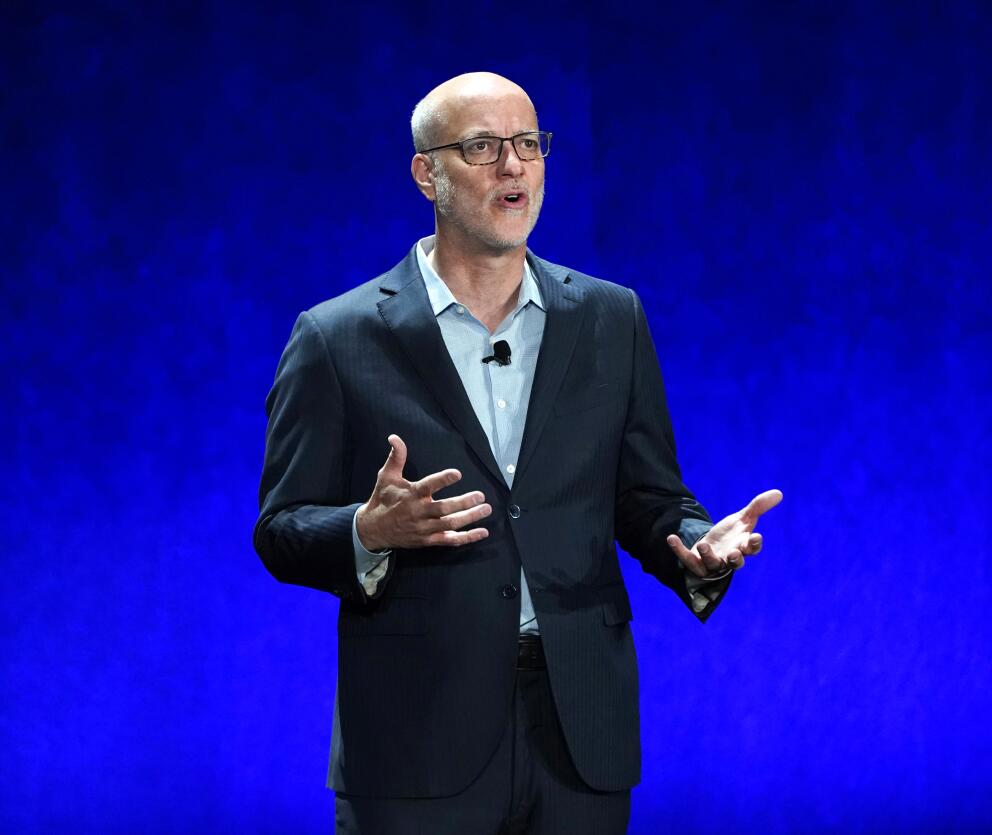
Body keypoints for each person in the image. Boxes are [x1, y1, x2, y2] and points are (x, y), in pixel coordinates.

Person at [254, 71, 782, 835]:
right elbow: (281, 527)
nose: (513, 165)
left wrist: (698, 544)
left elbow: (647, 498)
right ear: (426, 173)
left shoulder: (609, 317)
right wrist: (368, 531)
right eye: (482, 146)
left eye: (528, 144)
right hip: (415, 736)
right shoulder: (337, 337)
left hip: (579, 730)